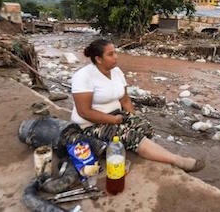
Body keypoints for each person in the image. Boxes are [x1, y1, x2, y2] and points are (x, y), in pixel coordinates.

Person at [71, 39, 205, 172]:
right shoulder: (84, 76)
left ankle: (136, 146)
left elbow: (125, 100)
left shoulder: (116, 72)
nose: (116, 57)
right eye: (110, 54)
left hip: (116, 115)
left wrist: (133, 119)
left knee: (146, 128)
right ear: (98, 59)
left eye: (115, 53)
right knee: (131, 136)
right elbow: (84, 112)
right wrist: (114, 121)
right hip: (90, 124)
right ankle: (178, 161)